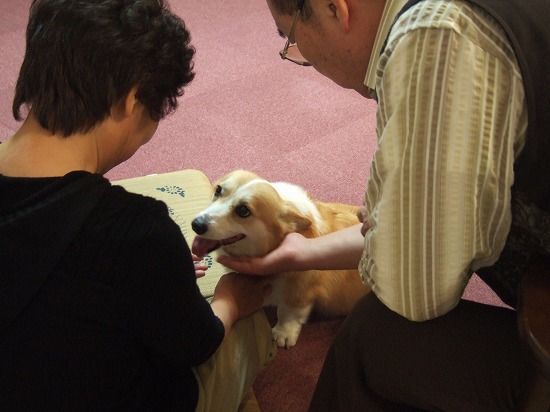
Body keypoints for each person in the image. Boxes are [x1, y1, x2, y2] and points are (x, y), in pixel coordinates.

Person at [218, 0, 550, 410]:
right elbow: (398, 232)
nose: (306, 60)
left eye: (291, 39)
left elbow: (415, 290)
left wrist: (385, 231)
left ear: (334, 8)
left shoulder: (437, 40)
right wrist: (303, 252)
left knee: (372, 336)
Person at [0, 1, 275, 411]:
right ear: (131, 100)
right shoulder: (138, 231)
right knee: (250, 325)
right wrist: (229, 301)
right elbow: (195, 343)